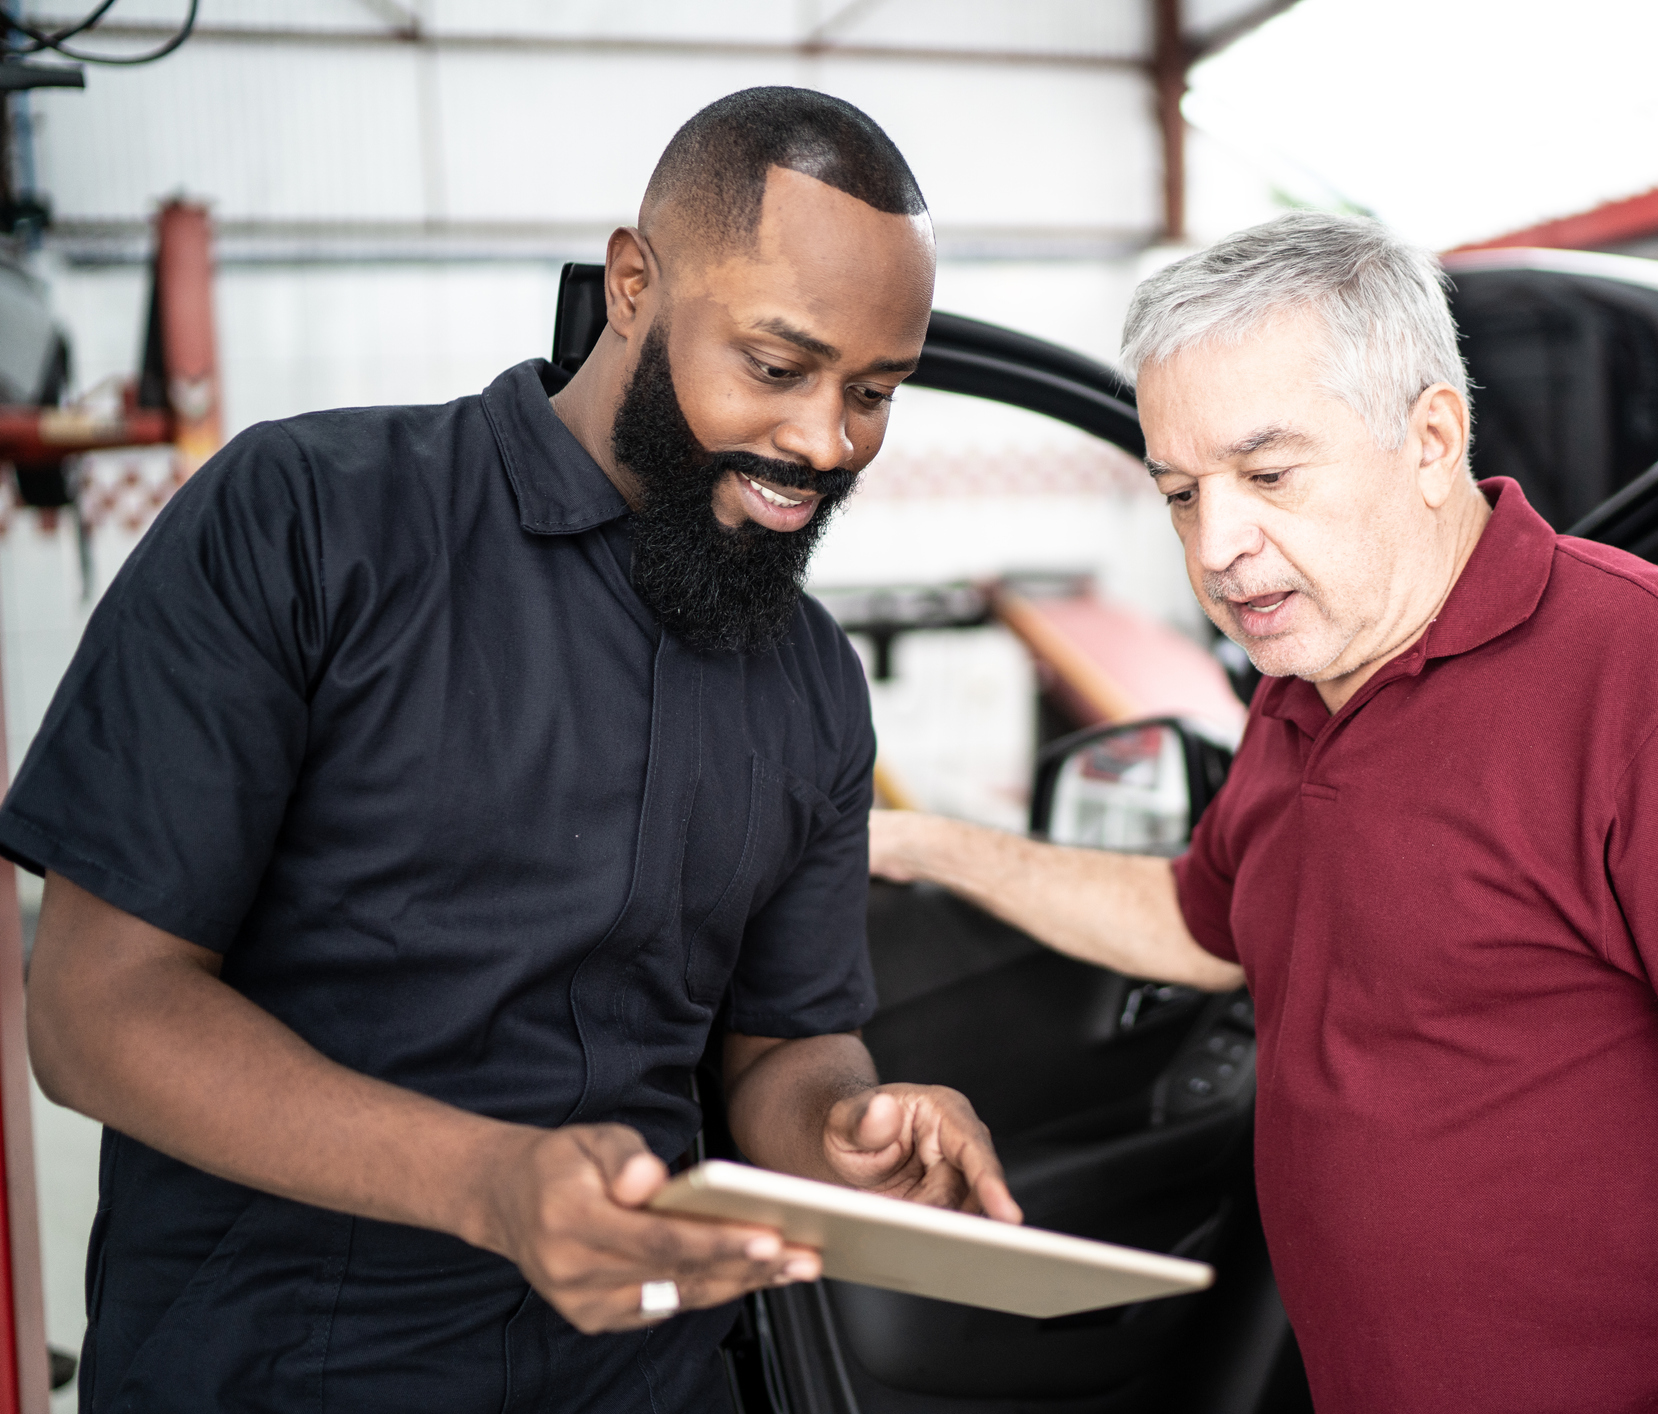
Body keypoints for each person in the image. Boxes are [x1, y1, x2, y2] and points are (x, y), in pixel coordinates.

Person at [4, 87, 1016, 1412]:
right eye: (778, 367)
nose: (826, 442)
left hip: (648, 1383)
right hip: (284, 1375)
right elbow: (97, 1009)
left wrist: (850, 1142)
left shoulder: (812, 681)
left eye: (875, 391)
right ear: (636, 286)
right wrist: (490, 1183)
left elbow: (781, 1049)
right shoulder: (309, 523)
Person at [872, 213, 1658, 1414]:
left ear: (1430, 437)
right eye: (1181, 493)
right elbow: (1201, 922)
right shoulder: (1300, 689)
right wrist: (915, 843)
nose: (1219, 546)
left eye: (1268, 474)